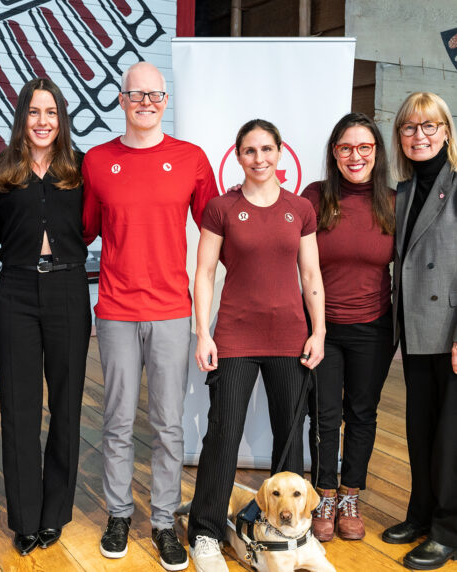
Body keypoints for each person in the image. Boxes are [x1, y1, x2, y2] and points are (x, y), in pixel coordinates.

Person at [82, 61, 218, 571]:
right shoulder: (97, 161)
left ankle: (163, 521)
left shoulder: (191, 160)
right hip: (115, 310)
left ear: (165, 101)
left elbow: (217, 229)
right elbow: (84, 231)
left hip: (170, 311)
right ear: (120, 100)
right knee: (116, 422)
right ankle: (119, 514)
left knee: (166, 425)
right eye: (135, 95)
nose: (145, 102)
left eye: (154, 95)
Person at [186, 119, 325, 572]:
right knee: (223, 433)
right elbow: (204, 272)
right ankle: (205, 532)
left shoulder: (301, 208)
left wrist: (318, 330)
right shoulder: (221, 208)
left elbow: (310, 276)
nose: (259, 158)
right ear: (238, 155)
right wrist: (202, 332)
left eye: (267, 149)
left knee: (291, 439)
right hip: (235, 336)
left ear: (280, 153)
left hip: (289, 337)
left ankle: (293, 531)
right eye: (250, 151)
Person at [0, 78, 91, 556]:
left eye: (51, 112)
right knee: (19, 407)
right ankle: (25, 518)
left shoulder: (85, 168)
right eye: (33, 112)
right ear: (21, 117)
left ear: (61, 118)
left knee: (66, 406)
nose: (43, 121)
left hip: (69, 288)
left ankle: (54, 515)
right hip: (18, 291)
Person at [300, 112, 396, 542]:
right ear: (334, 153)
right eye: (345, 148)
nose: (355, 156)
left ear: (376, 152)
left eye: (364, 148)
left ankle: (349, 494)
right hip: (322, 327)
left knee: (362, 414)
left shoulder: (394, 202)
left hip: (374, 327)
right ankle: (323, 494)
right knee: (324, 415)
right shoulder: (316, 196)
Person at [381, 92, 457, 571]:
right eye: (410, 127)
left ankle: (448, 528)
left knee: (451, 436)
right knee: (419, 427)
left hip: (450, 330)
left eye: (429, 126)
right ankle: (422, 513)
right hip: (414, 329)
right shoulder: (402, 193)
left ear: (446, 133)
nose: (419, 136)